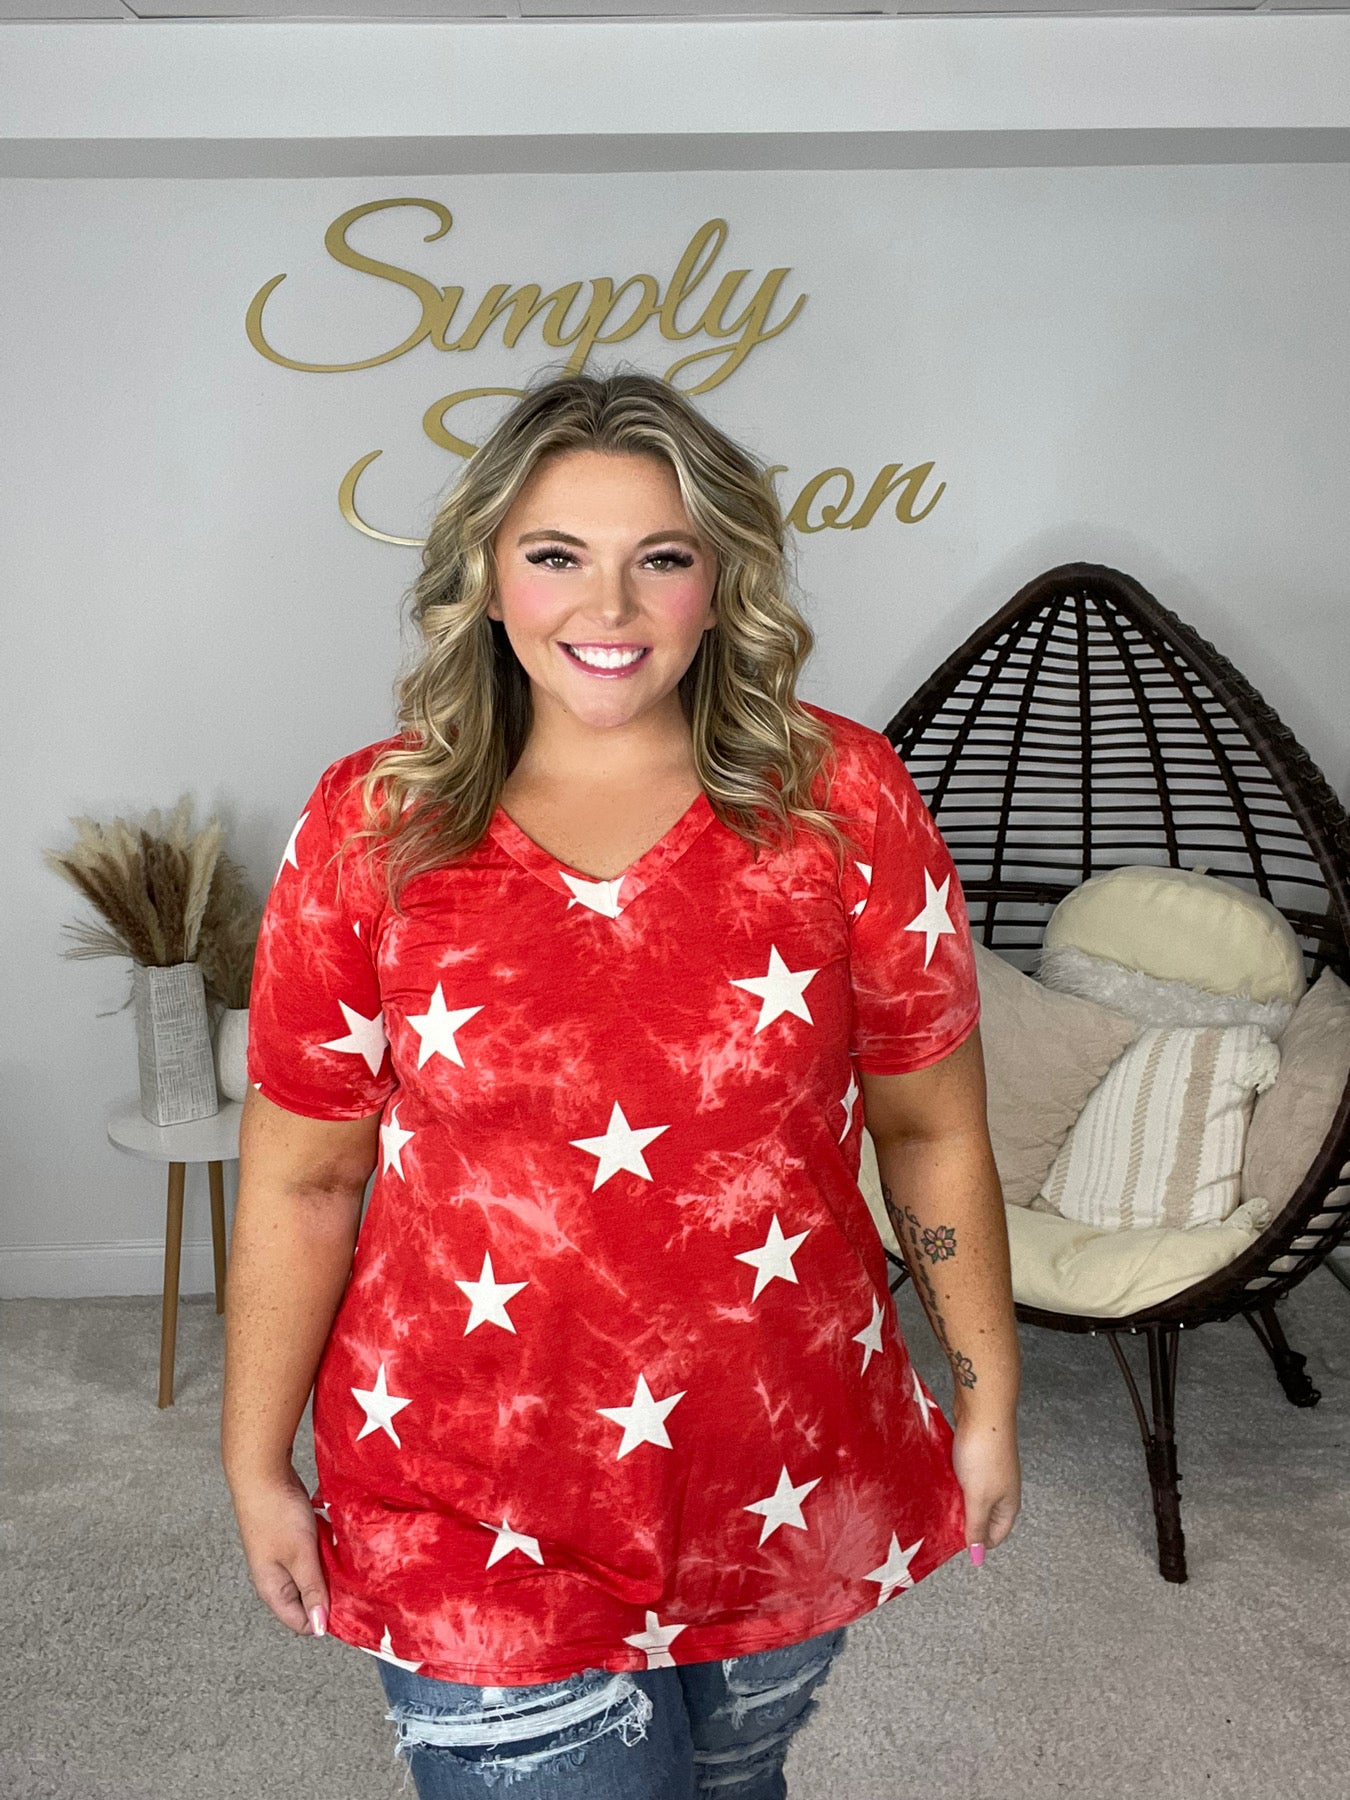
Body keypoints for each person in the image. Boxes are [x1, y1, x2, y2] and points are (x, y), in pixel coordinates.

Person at [221, 366, 1021, 1800]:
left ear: (720, 583)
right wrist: (253, 1458)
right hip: (463, 1497)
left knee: (735, 1782)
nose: (608, 606)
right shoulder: (372, 823)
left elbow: (929, 1127)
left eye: (660, 557)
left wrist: (988, 1395)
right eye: (555, 556)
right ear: (487, 580)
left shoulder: (841, 799)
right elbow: (304, 1172)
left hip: (779, 1471)